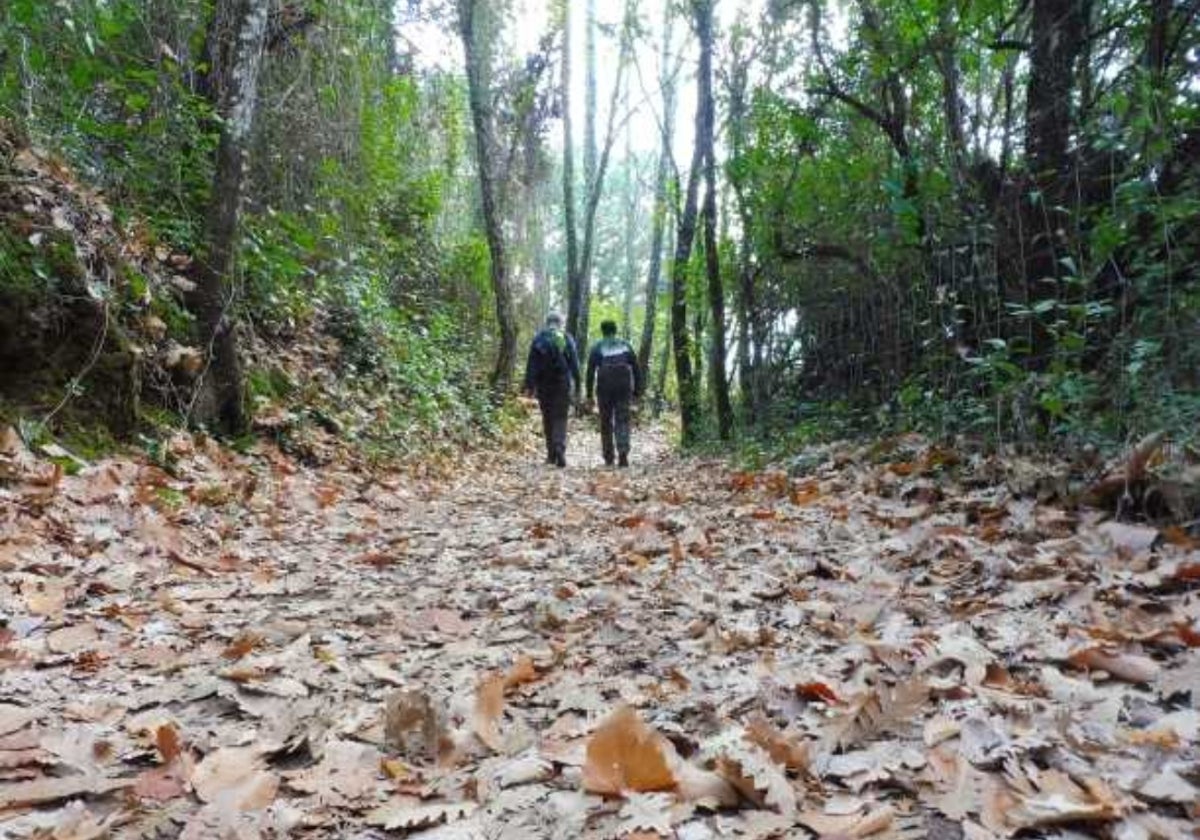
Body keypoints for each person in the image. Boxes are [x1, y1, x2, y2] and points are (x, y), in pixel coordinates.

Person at [522, 312, 581, 468]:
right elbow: (574, 362)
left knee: (547, 417)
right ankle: (559, 448)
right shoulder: (566, 337)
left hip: (544, 384)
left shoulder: (539, 338)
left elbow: (532, 364)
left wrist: (529, 386)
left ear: (547, 322)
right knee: (560, 417)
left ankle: (551, 455)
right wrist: (578, 383)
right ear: (560, 323)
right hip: (562, 383)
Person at [586, 320, 643, 467]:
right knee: (622, 419)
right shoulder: (626, 345)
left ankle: (609, 456)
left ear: (602, 331)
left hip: (604, 388)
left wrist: (589, 395)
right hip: (624, 388)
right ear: (615, 330)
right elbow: (636, 369)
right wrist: (637, 392)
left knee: (605, 421)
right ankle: (623, 453)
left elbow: (590, 372)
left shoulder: (597, 347)